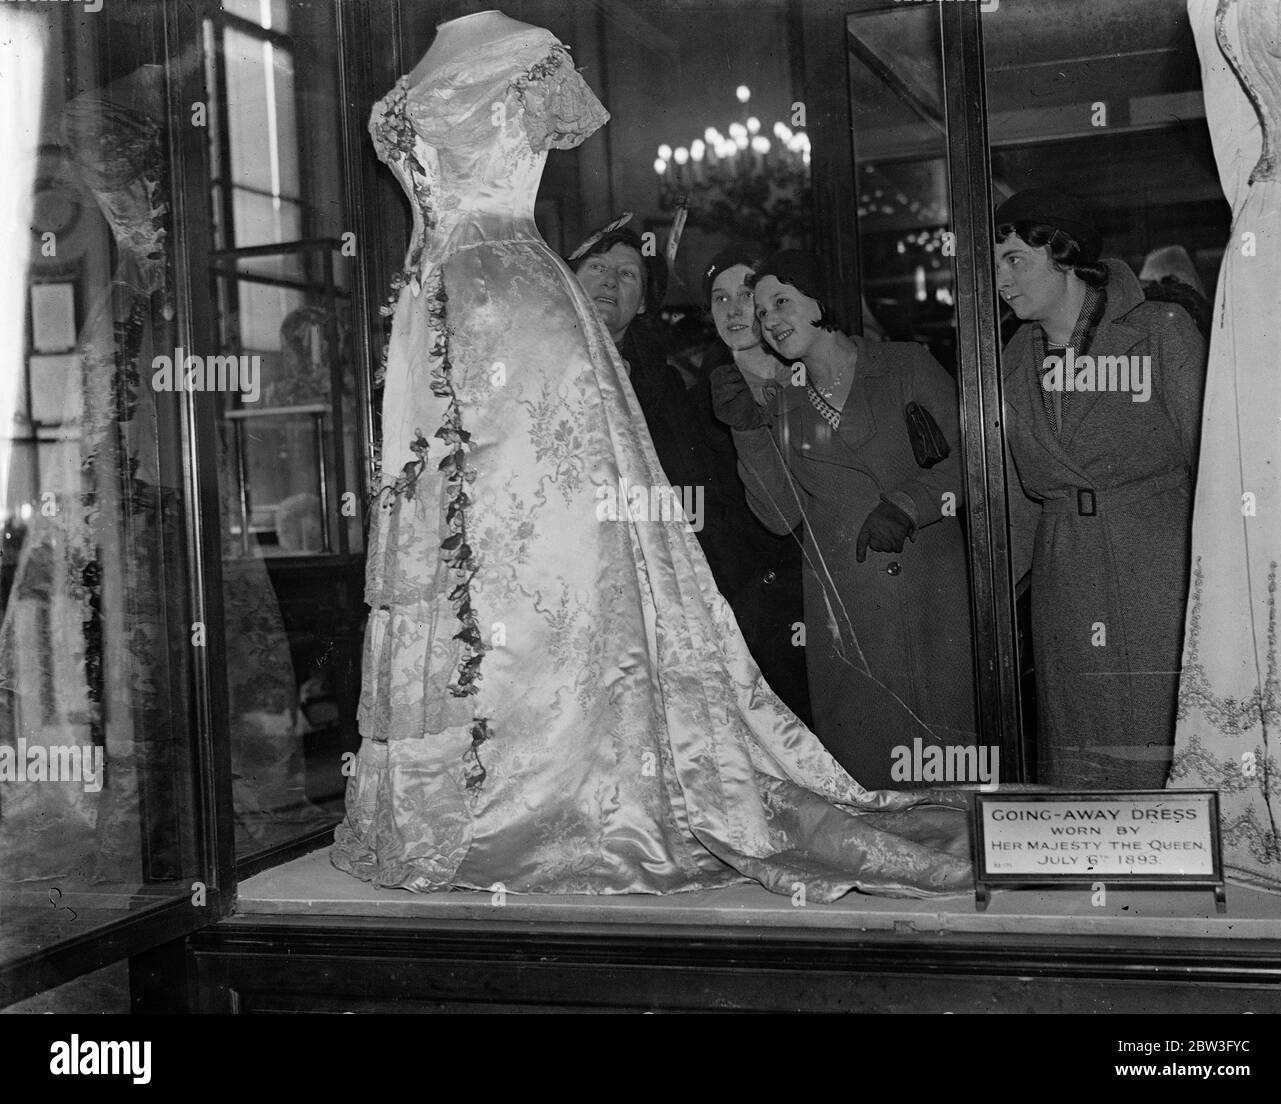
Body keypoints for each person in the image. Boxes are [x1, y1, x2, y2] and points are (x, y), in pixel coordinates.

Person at [330, 10, 971, 901]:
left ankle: (567, 789)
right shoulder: (412, 81)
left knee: (551, 552)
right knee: (460, 546)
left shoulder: (530, 52)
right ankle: (464, 793)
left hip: (521, 304)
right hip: (433, 308)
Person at [713, 250, 979, 790]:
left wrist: (908, 505)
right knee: (871, 778)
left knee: (951, 778)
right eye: (762, 313)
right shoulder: (783, 402)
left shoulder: (904, 365)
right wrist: (748, 429)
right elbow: (779, 514)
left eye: (780, 302)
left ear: (821, 301)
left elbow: (975, 459)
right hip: (847, 617)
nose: (769, 320)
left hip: (934, 601)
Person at [994, 188, 1206, 789]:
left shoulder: (1161, 332)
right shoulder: (1012, 360)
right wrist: (990, 597)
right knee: (1078, 742)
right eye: (997, 263)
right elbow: (1015, 497)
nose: (1003, 280)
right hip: (1065, 576)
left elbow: (1209, 465)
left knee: (1153, 736)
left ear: (1065, 258)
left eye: (1017, 261)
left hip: (1157, 569)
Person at [690, 242, 812, 725]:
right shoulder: (700, 399)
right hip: (752, 600)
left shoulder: (813, 374)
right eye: (720, 299)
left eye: (745, 294)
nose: (735, 310)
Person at [567, 217, 712, 496]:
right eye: (597, 267)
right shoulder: (536, 361)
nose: (609, 281)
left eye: (627, 274)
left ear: (643, 302)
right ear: (571, 282)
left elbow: (686, 487)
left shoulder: (665, 388)